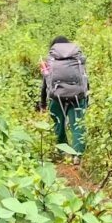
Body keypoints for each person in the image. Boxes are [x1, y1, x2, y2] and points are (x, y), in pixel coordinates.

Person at [38, 36, 89, 165]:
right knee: (77, 125)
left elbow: (45, 84)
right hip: (77, 95)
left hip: (56, 97)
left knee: (58, 123)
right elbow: (84, 79)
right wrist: (86, 98)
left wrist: (43, 103)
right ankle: (77, 155)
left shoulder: (51, 59)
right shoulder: (76, 58)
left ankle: (62, 153)